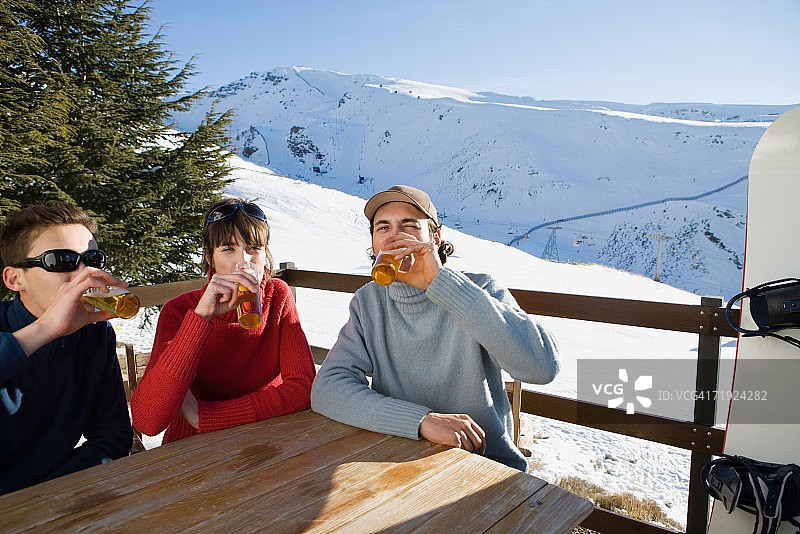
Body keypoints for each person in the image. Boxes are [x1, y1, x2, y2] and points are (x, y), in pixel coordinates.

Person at [311, 185, 559, 471]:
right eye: (383, 228)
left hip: (483, 463)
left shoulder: (479, 289)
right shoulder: (369, 301)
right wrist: (421, 421)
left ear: (436, 237)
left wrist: (441, 284)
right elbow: (328, 388)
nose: (395, 237)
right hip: (396, 457)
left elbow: (542, 367)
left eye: (410, 226)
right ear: (374, 244)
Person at [131, 198, 315, 444]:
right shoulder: (179, 311)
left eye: (253, 248)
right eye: (228, 249)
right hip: (193, 449)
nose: (245, 260)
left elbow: (303, 389)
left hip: (266, 438)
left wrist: (204, 417)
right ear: (210, 257)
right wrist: (201, 317)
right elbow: (149, 421)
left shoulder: (277, 296)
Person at [0, 202, 133, 495]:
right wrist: (46, 329)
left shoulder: (94, 334)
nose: (85, 273)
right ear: (14, 278)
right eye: (61, 260)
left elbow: (112, 434)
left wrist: (48, 496)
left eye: (92, 259)